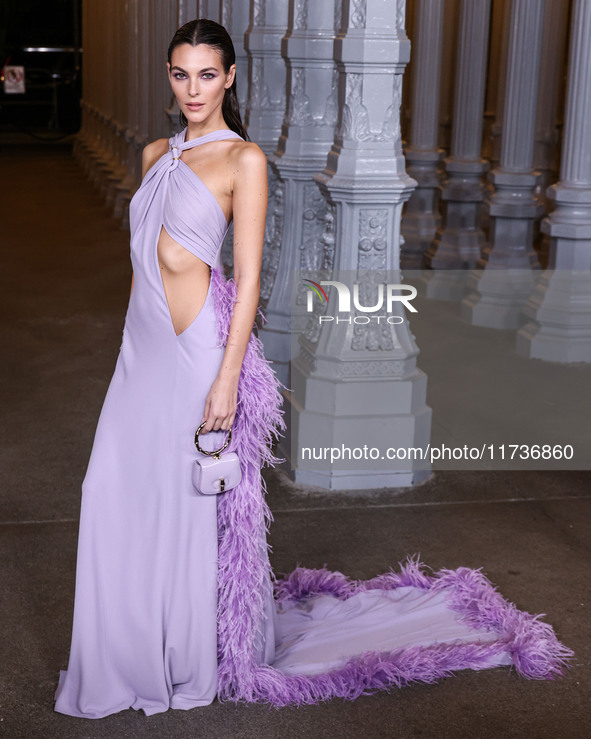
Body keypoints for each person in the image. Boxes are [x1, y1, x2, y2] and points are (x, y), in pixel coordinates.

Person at [54, 19, 573, 719]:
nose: (193, 89)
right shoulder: (153, 153)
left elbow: (248, 281)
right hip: (140, 352)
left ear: (230, 77)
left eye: (207, 74)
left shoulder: (243, 160)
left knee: (181, 504)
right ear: (169, 77)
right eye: (181, 74)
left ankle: (177, 659)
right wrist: (127, 355)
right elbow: (139, 271)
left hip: (196, 352)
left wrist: (227, 378)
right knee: (111, 489)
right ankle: (123, 651)